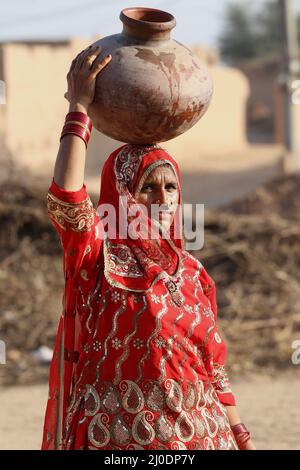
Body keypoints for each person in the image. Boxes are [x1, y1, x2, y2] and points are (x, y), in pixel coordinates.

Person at [41, 45, 256, 451]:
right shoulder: (97, 258)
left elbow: (214, 367)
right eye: (147, 188)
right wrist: (79, 107)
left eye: (170, 186)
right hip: (116, 442)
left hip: (203, 438)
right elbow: (68, 196)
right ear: (122, 196)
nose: (162, 198)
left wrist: (241, 436)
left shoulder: (192, 272)